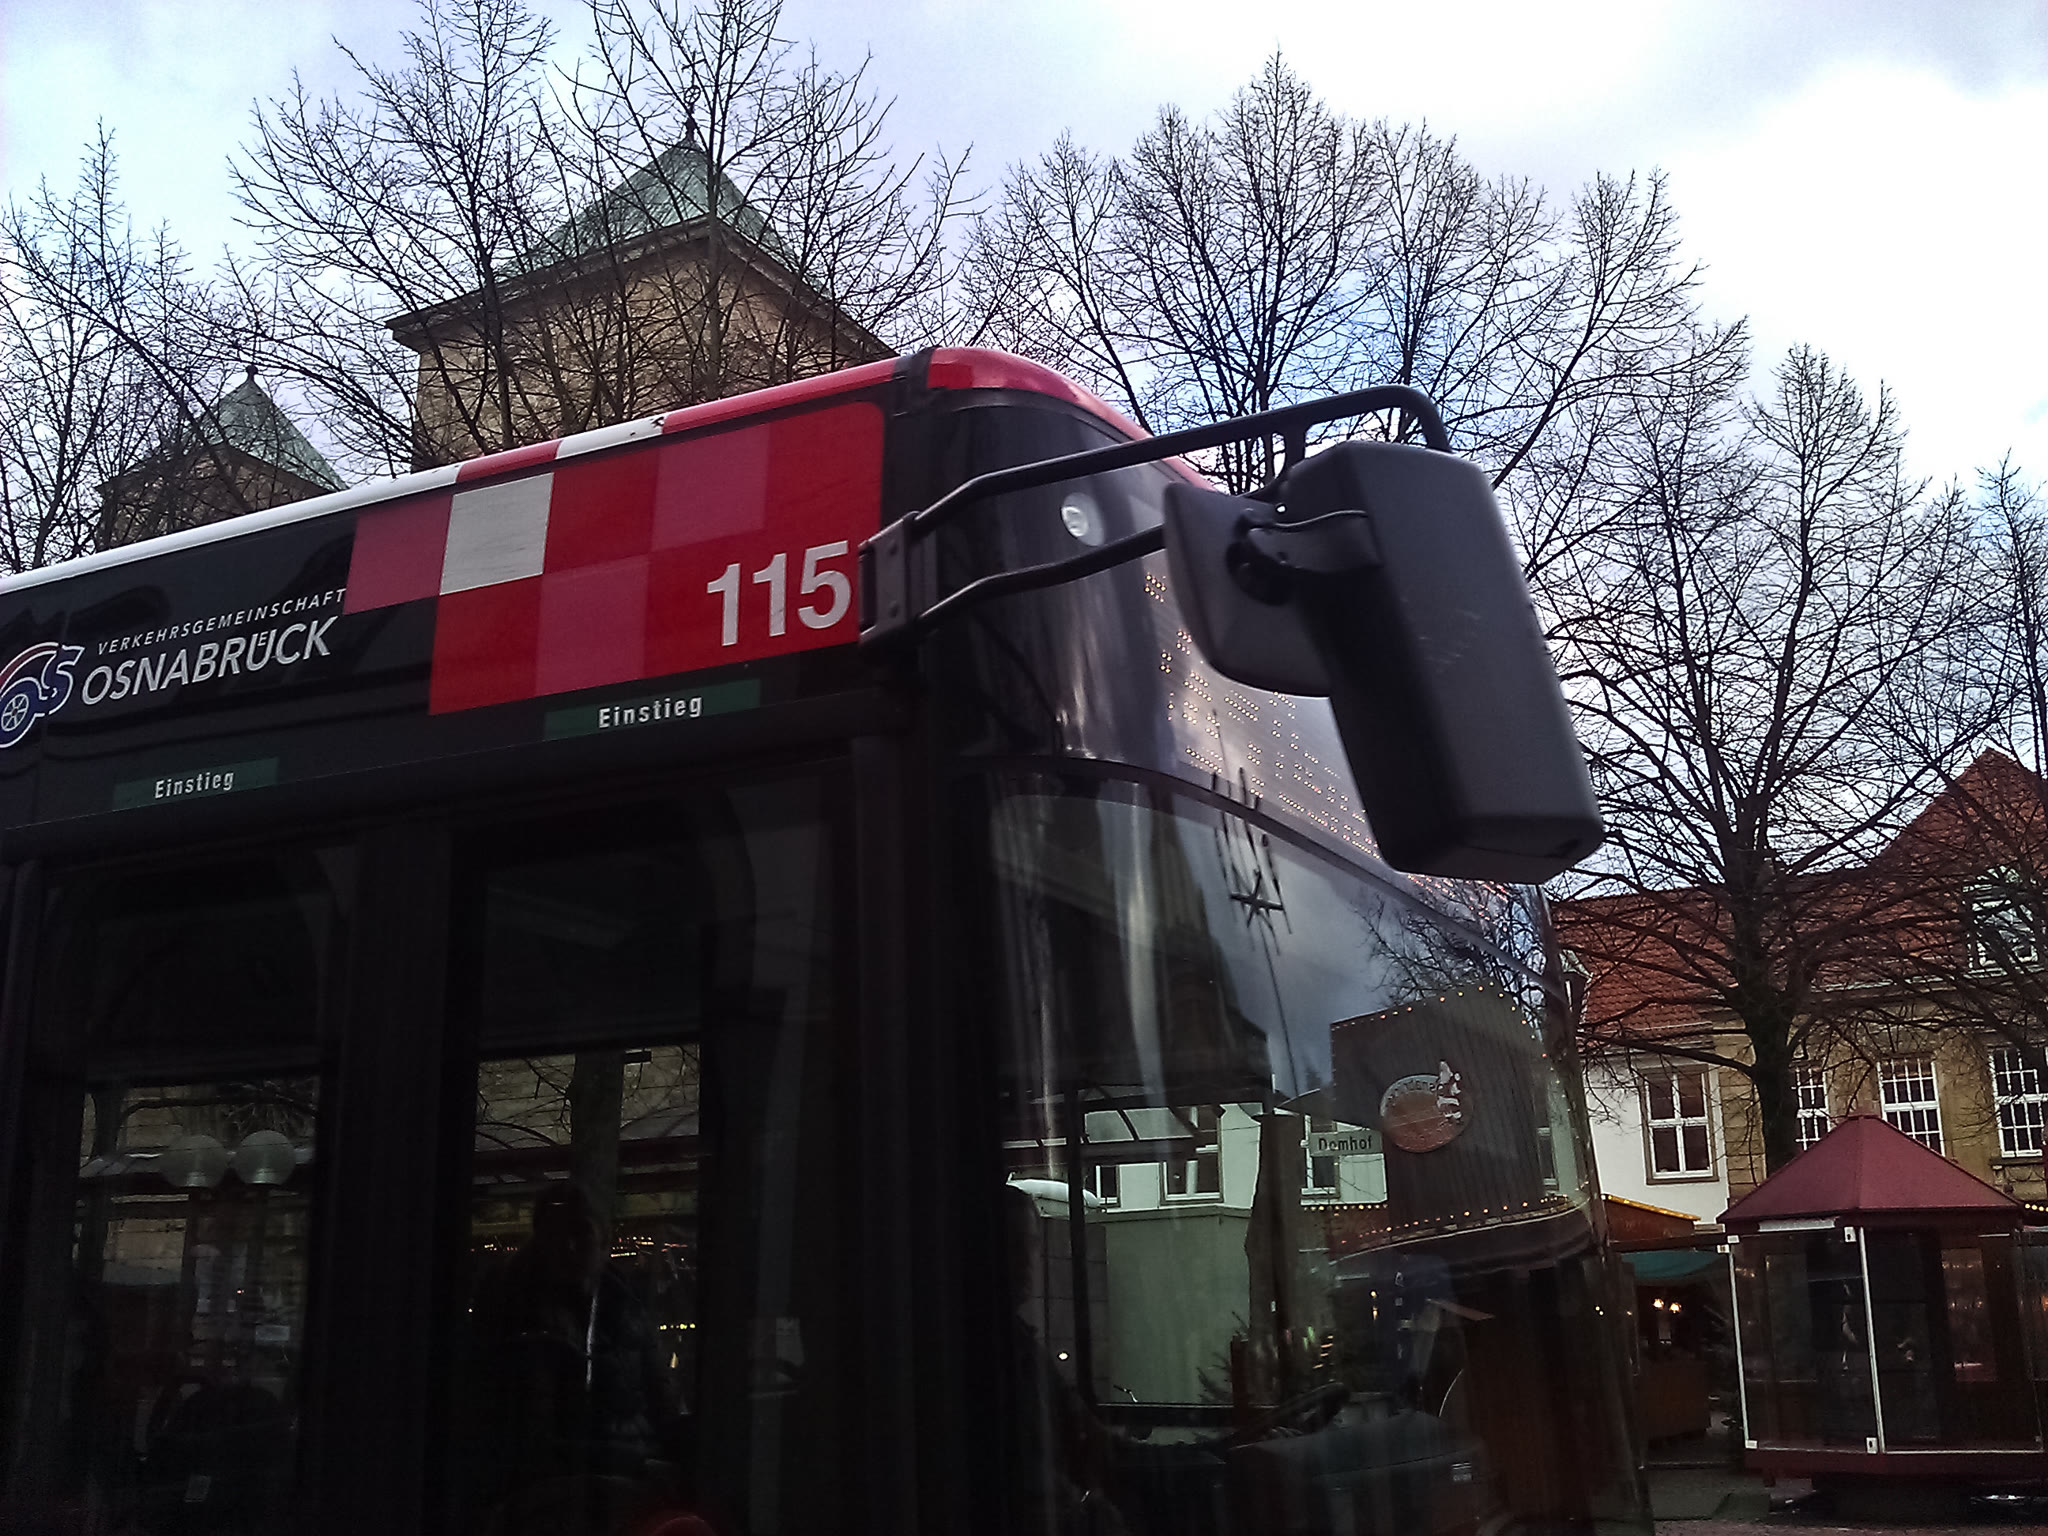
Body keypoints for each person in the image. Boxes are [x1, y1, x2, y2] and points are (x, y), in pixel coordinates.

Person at [465, 1182, 685, 1535]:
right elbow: (529, 1437)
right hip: (569, 1485)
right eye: (556, 1235)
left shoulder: (624, 1307)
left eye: (579, 1233)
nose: (569, 1246)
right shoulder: (516, 1312)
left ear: (604, 1240)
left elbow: (661, 1398)